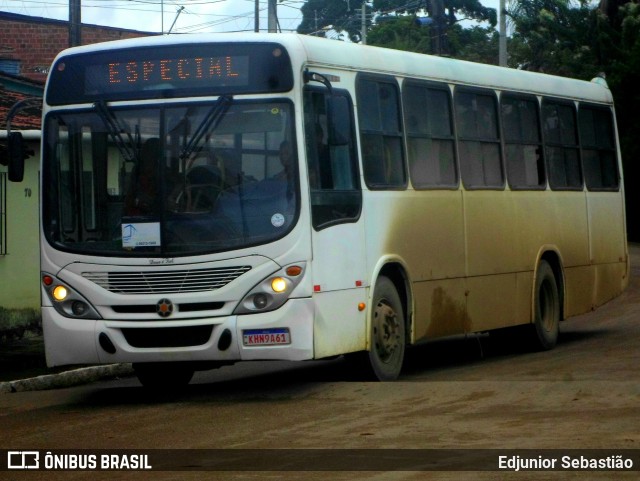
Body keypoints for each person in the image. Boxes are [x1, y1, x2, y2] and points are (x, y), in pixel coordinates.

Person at [124, 138, 161, 215]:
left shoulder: (164, 172)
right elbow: (130, 196)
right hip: (139, 215)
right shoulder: (138, 170)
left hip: (161, 215)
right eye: (148, 152)